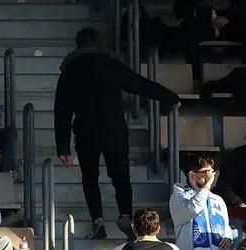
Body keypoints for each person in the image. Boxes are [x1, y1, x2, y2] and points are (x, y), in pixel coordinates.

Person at [54, 26, 180, 239]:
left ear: (78, 45)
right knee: (121, 176)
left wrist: (63, 147)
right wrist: (170, 97)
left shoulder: (70, 70)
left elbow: (62, 111)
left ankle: (98, 221)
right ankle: (127, 216)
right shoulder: (111, 65)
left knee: (90, 177)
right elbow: (140, 84)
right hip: (114, 129)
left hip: (86, 131)